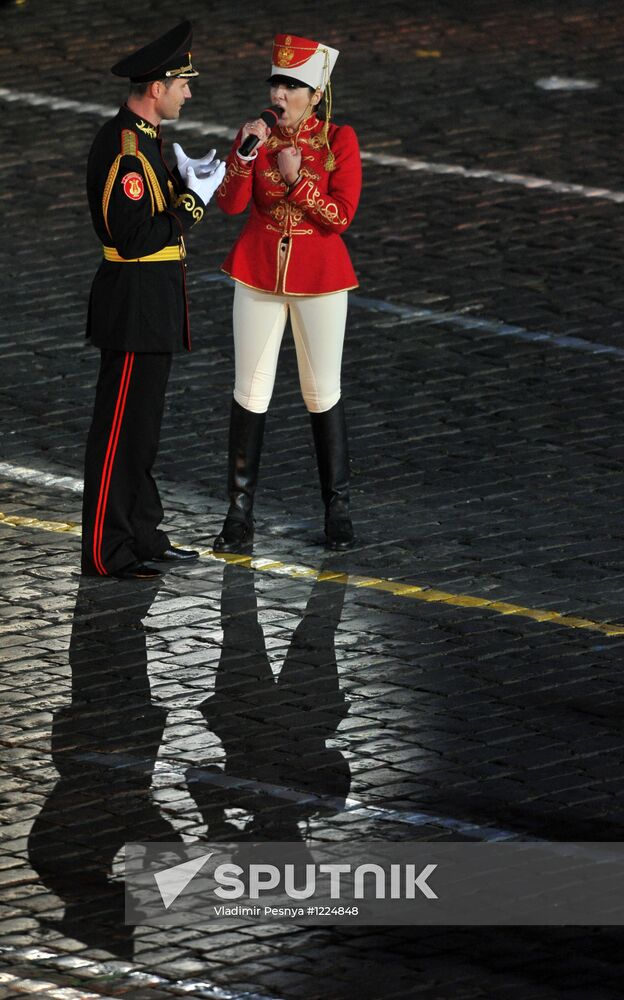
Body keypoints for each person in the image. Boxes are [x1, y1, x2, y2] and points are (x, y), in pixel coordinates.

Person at [81, 21, 225, 579]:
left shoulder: (145, 142)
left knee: (142, 431)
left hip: (153, 305)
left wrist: (185, 182)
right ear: (155, 88)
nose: (189, 92)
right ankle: (105, 550)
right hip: (134, 306)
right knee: (118, 434)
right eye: (182, 83)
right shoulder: (125, 148)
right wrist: (193, 200)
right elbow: (134, 236)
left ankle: (141, 533)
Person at [214, 33, 362, 552]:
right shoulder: (258, 138)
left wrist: (299, 182)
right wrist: (241, 153)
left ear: (314, 95)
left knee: (322, 392)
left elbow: (341, 217)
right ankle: (238, 514)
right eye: (277, 82)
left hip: (321, 281)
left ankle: (337, 509)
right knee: (249, 392)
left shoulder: (339, 140)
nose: (280, 93)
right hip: (258, 273)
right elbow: (231, 206)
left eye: (292, 85)